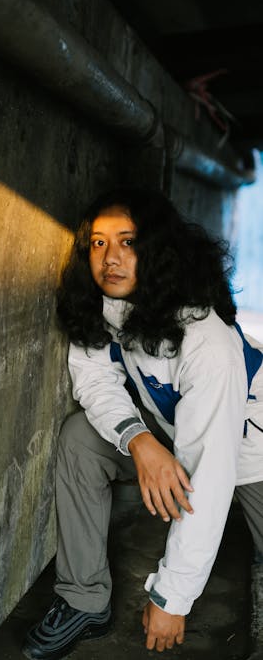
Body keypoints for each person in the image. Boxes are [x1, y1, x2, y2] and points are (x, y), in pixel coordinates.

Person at [22, 186, 263, 659]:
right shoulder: (107, 306)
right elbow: (92, 378)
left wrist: (171, 598)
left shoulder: (205, 340)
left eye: (127, 241)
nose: (110, 257)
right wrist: (138, 439)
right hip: (181, 440)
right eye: (98, 243)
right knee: (80, 438)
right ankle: (83, 599)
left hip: (255, 455)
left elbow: (211, 476)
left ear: (156, 250)